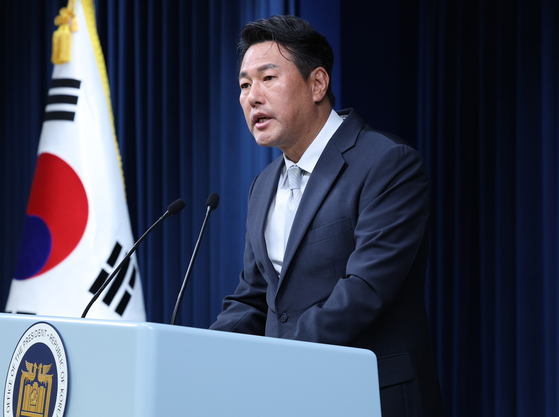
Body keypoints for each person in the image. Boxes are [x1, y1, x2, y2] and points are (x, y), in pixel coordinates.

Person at [210, 15, 444, 417]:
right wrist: (200, 356)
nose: (252, 96)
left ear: (317, 84)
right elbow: (254, 298)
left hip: (370, 396)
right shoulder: (263, 185)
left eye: (268, 78)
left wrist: (274, 360)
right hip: (286, 399)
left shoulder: (386, 163)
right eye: (244, 85)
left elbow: (364, 290)